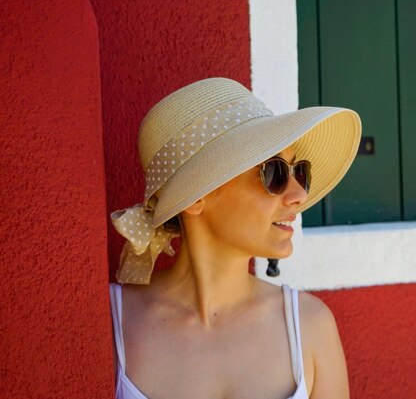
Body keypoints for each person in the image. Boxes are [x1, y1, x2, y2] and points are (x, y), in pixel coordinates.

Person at [108, 78, 362, 399]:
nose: (299, 194)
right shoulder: (112, 321)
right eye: (274, 173)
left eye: (300, 171)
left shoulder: (310, 326)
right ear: (195, 198)